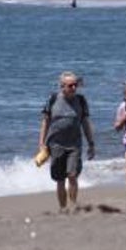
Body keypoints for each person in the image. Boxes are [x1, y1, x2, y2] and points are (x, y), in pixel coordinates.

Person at [38, 71, 97, 212]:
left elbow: (85, 123)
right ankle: (63, 208)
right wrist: (42, 144)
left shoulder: (81, 101)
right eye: (70, 85)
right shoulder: (53, 99)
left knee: (72, 175)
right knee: (60, 180)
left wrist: (91, 143)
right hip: (55, 145)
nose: (74, 88)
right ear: (62, 86)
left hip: (74, 145)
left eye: (75, 85)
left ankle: (73, 205)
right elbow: (45, 122)